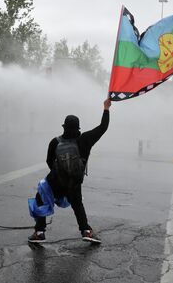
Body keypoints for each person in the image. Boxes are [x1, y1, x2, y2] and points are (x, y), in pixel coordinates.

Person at [28, 99, 112, 244]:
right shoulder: (85, 139)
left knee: (40, 197)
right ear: (78, 128)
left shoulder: (55, 142)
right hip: (74, 182)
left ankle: (39, 232)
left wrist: (59, 174)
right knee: (77, 204)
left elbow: (49, 161)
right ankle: (86, 231)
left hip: (55, 181)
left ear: (64, 126)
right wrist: (106, 108)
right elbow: (103, 127)